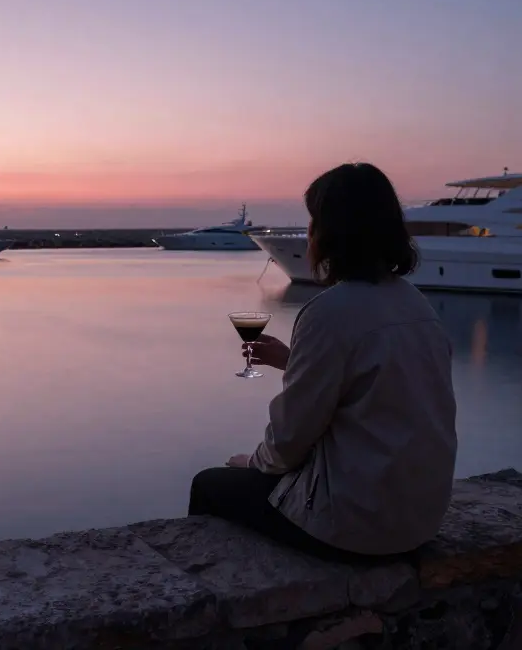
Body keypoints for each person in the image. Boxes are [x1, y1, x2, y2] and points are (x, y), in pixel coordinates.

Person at [189, 162, 457, 562]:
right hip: (418, 518)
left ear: (331, 234)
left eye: (314, 220)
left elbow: (289, 440)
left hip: (355, 524)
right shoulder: (415, 304)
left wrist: (252, 465)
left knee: (209, 485)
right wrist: (293, 361)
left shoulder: (328, 312)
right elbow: (377, 390)